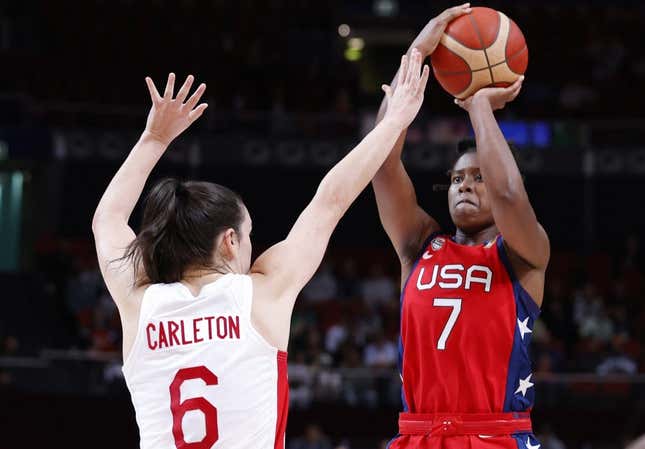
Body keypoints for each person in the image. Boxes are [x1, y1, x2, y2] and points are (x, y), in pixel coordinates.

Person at [92, 51, 429, 449]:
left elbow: (108, 220)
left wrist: (154, 139)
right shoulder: (261, 293)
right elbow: (331, 201)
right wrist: (393, 122)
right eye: (249, 234)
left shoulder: (139, 301)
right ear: (230, 240)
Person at [371, 4, 550, 449]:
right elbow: (378, 164)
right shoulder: (419, 245)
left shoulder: (525, 254)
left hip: (496, 438)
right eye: (456, 178)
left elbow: (509, 196)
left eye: (478, 177)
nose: (464, 186)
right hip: (418, 435)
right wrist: (415, 54)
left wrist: (479, 107)